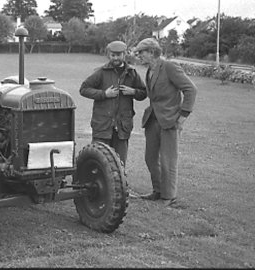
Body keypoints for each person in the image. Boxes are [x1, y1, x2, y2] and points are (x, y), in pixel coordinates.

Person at [134, 38, 197, 206]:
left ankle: (169, 197)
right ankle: (158, 190)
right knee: (150, 158)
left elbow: (190, 89)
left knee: (168, 159)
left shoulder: (169, 67)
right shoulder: (149, 70)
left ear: (152, 52)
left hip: (170, 120)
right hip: (153, 120)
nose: (137, 55)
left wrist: (183, 116)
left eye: (141, 52)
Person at [79, 40, 147, 168]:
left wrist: (133, 92)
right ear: (108, 55)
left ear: (124, 54)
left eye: (118, 55)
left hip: (122, 126)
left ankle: (120, 187)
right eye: (112, 55)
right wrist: (104, 94)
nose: (115, 58)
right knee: (98, 162)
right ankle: (97, 187)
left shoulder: (132, 73)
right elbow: (84, 89)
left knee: (120, 164)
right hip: (102, 125)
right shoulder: (101, 72)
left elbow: (143, 93)